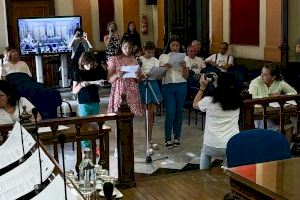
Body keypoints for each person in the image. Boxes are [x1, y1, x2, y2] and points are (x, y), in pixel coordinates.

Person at [193, 73, 242, 170]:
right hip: (231, 144)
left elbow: (195, 104)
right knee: (228, 160)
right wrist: (217, 84)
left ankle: (203, 173)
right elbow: (225, 92)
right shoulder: (238, 100)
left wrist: (202, 87)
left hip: (211, 145)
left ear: (219, 84)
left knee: (205, 152)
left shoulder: (209, 100)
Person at [248, 63, 297, 142]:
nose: (261, 76)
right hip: (260, 116)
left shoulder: (279, 82)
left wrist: (281, 96)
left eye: (265, 75)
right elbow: (251, 98)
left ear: (273, 77)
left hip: (275, 113)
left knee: (289, 125)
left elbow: (294, 93)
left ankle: (286, 152)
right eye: (261, 73)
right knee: (278, 129)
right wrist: (269, 97)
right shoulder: (255, 82)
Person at [159, 35, 189, 148]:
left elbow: (186, 76)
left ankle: (177, 136)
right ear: (169, 46)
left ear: (180, 46)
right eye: (173, 45)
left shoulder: (184, 57)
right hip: (168, 86)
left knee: (179, 112)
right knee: (170, 112)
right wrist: (164, 68)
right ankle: (167, 138)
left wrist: (185, 67)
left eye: (177, 45)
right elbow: (159, 75)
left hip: (181, 85)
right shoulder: (163, 56)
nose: (175, 47)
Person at [72, 52, 104, 150]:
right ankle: (86, 147)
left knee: (95, 125)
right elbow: (74, 91)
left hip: (95, 101)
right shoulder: (77, 72)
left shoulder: (95, 71)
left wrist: (100, 85)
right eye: (87, 64)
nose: (89, 66)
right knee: (84, 126)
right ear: (82, 63)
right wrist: (81, 85)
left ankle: (95, 146)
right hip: (83, 103)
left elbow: (98, 89)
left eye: (91, 63)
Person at [107, 36, 143, 116]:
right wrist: (117, 74)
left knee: (131, 116)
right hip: (119, 91)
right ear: (121, 46)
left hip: (132, 91)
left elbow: (139, 79)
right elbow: (109, 79)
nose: (127, 50)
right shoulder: (114, 59)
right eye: (125, 47)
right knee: (120, 115)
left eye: (130, 47)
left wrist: (138, 76)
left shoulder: (134, 59)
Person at [138, 41, 163, 154]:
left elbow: (159, 75)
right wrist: (143, 75)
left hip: (154, 85)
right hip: (144, 85)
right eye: (148, 52)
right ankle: (148, 141)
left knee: (152, 115)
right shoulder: (139, 60)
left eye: (152, 52)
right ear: (144, 50)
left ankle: (150, 139)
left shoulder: (156, 60)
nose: (150, 54)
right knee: (147, 115)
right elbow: (136, 77)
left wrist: (160, 72)